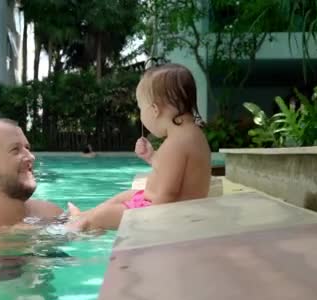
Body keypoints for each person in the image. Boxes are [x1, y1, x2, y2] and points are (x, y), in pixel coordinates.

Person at [68, 63, 212, 230]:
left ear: (155, 110)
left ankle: (82, 223)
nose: (141, 115)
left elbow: (168, 193)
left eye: (141, 108)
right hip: (170, 206)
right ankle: (85, 215)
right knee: (124, 196)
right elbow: (173, 171)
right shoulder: (190, 135)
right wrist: (151, 157)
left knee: (102, 216)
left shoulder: (177, 143)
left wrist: (149, 222)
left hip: (168, 214)